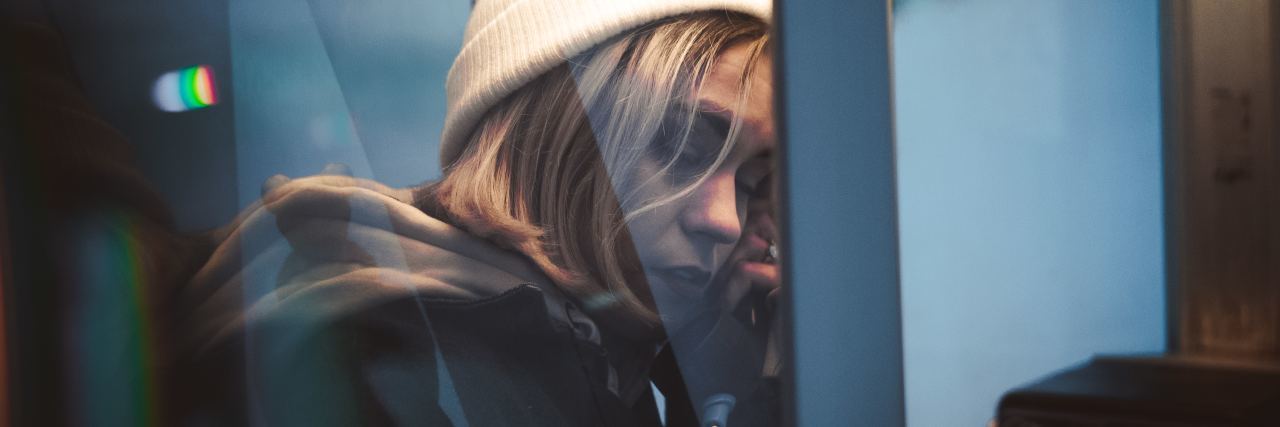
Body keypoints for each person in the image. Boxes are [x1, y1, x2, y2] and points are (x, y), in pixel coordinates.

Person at [175, 1, 780, 425]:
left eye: (752, 183)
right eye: (683, 151)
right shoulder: (401, 365)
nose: (725, 222)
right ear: (561, 131)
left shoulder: (573, 351)